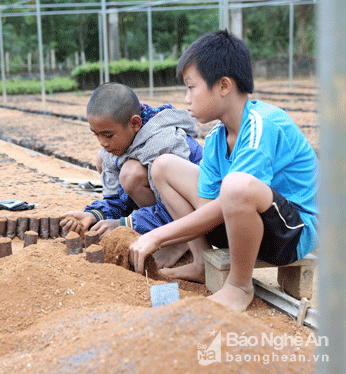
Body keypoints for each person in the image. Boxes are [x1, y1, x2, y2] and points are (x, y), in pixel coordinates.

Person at [129, 30, 319, 312]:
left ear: (223, 86)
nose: (187, 98)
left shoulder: (261, 126)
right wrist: (169, 238)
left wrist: (157, 235)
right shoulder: (218, 136)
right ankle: (200, 262)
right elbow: (206, 206)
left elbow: (228, 199)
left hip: (290, 233)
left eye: (191, 87)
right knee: (163, 166)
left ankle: (239, 286)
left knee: (235, 186)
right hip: (243, 223)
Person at [60, 82, 203, 267]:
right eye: (96, 135)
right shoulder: (113, 149)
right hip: (167, 209)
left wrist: (125, 224)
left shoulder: (164, 144)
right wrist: (94, 216)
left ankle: (178, 242)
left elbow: (174, 207)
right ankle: (162, 234)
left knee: (130, 174)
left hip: (198, 213)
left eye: (108, 135)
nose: (102, 142)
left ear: (135, 123)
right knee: (103, 159)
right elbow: (119, 202)